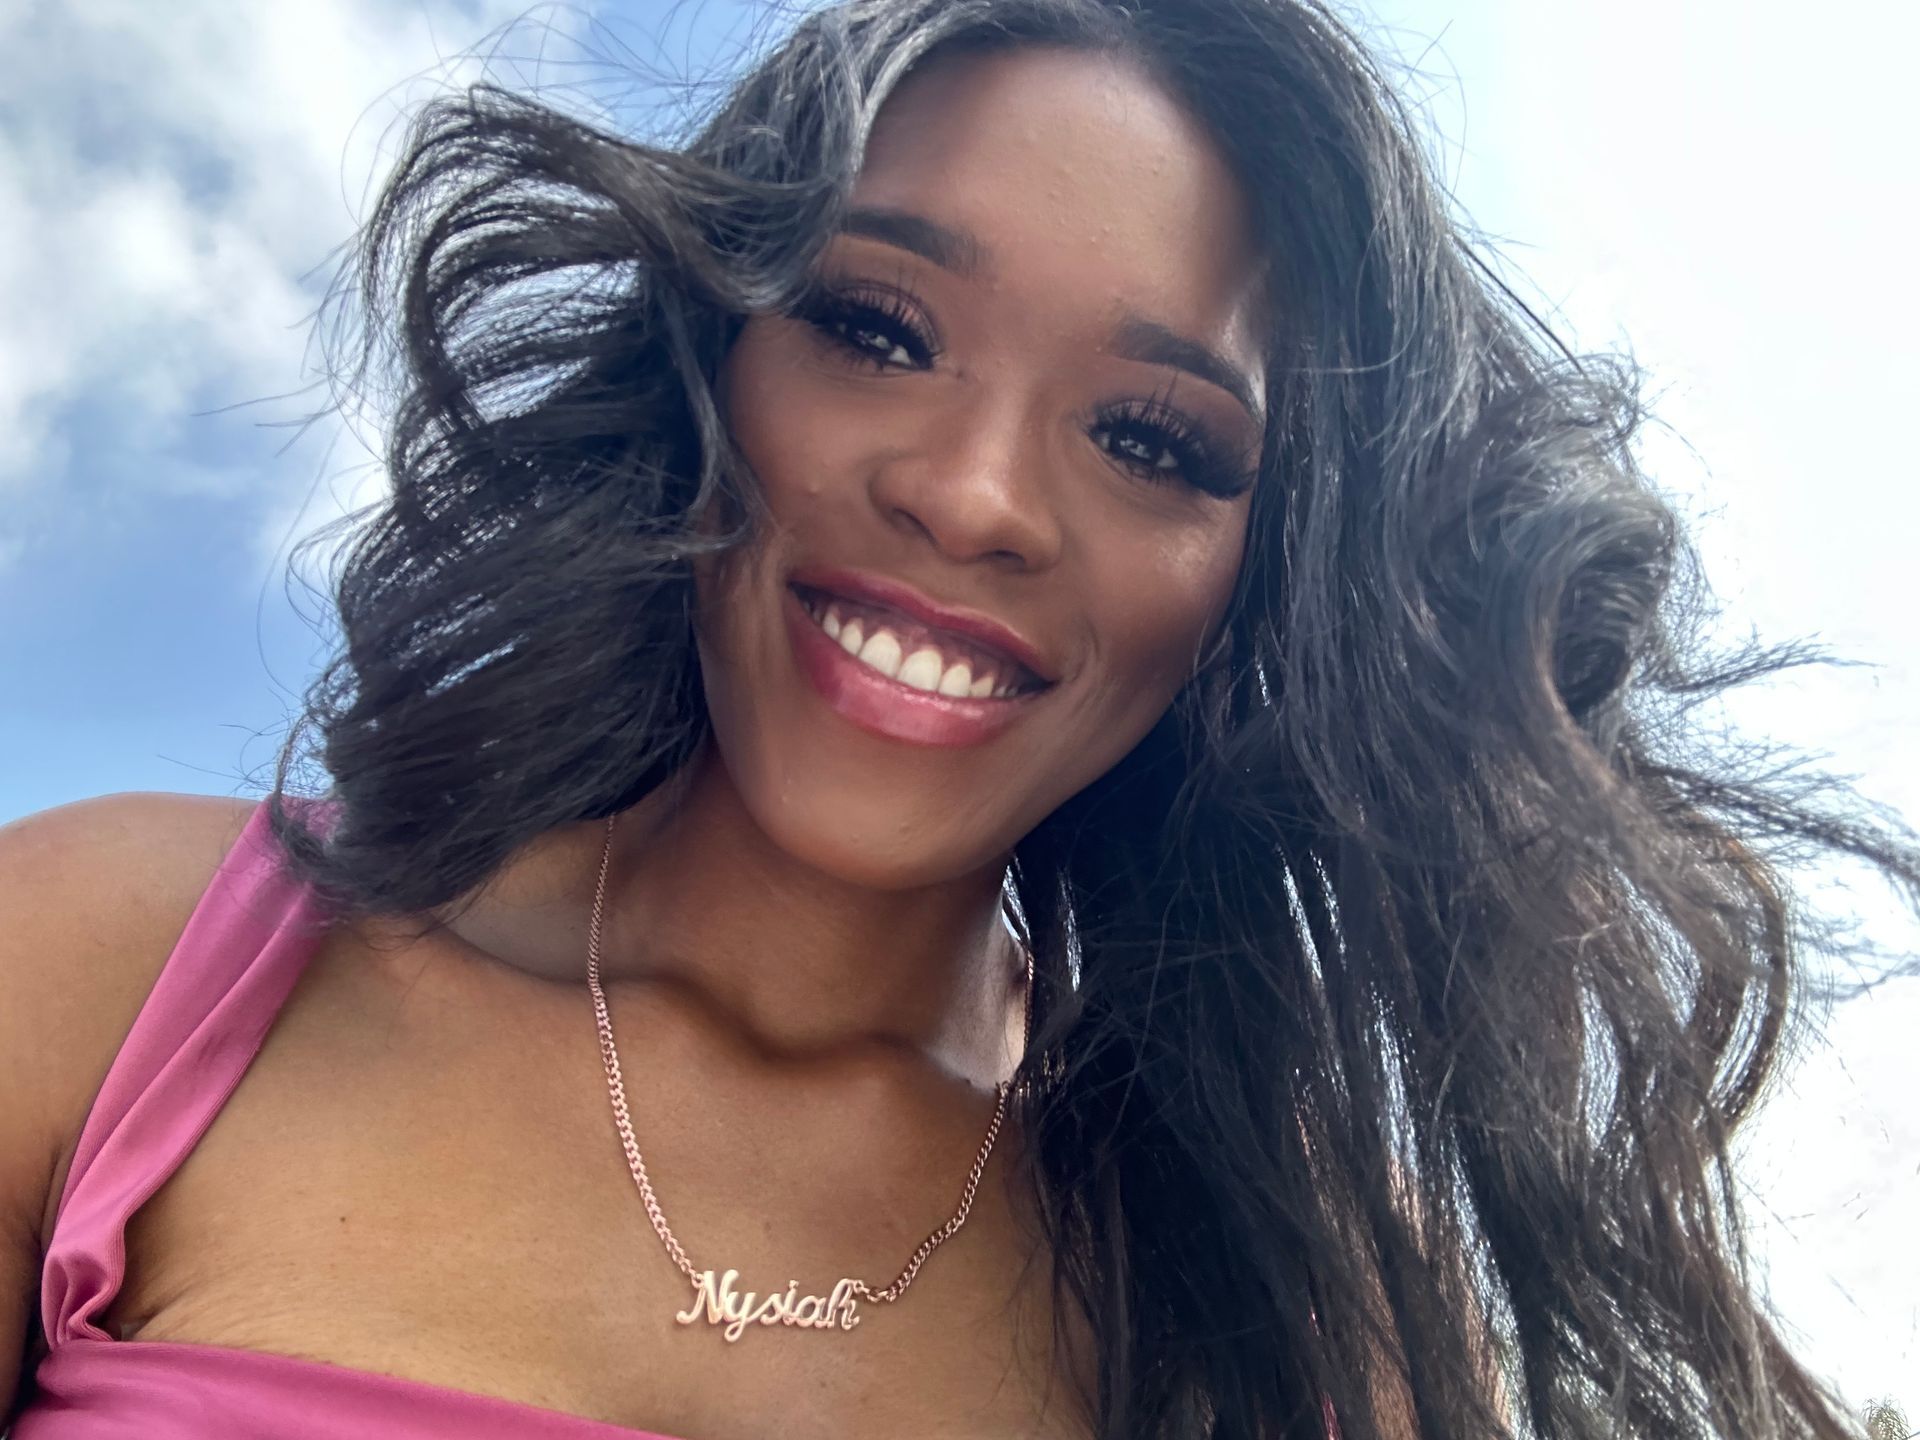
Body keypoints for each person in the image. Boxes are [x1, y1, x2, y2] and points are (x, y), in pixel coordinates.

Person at [3, 0, 1915, 1436]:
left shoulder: (1318, 1298)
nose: (980, 495)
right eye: (878, 326)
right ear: (712, 352)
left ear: (1267, 592)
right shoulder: (110, 970)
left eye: (1154, 438)